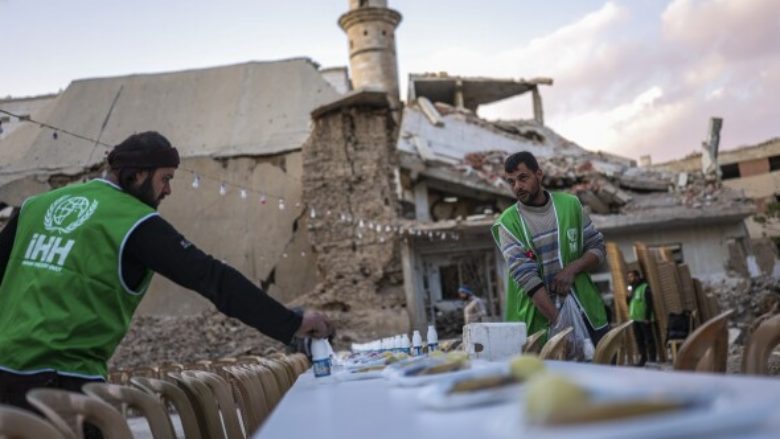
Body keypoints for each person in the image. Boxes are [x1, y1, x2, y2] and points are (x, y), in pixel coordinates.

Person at [0, 131, 332, 414]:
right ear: (136, 175)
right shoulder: (134, 220)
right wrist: (291, 323)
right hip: (64, 384)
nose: (168, 191)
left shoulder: (35, 207)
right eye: (166, 178)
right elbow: (212, 278)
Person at [491, 151, 608, 345]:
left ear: (539, 174)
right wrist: (561, 325)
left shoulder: (570, 205)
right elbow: (527, 278)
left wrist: (572, 268)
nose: (517, 186)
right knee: (553, 367)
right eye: (511, 182)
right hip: (540, 325)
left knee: (602, 363)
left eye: (523, 178)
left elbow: (597, 248)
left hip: (587, 313)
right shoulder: (507, 224)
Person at [627, 269, 657, 366]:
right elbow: (629, 303)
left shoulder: (645, 287)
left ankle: (652, 359)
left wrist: (647, 317)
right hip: (635, 319)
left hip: (644, 318)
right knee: (639, 340)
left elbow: (649, 303)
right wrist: (628, 296)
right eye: (629, 277)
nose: (630, 279)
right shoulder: (632, 288)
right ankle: (643, 359)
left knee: (649, 339)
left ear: (637, 277)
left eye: (631, 276)